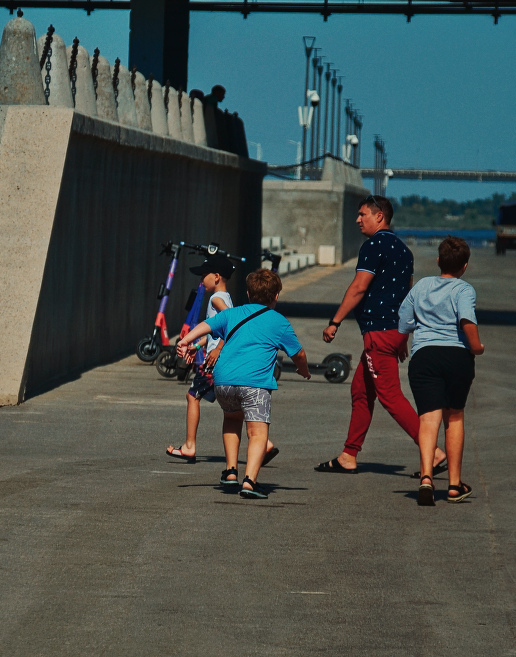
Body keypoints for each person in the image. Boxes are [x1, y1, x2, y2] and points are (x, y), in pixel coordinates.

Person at [316, 194, 446, 476]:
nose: (357, 219)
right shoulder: (404, 250)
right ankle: (349, 455)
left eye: (362, 214)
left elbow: (359, 287)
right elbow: (407, 295)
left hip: (379, 333)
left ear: (379, 216)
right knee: (361, 390)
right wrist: (404, 333)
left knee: (390, 396)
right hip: (393, 331)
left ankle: (433, 452)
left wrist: (335, 322)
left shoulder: (373, 245)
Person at [176, 269, 310, 500]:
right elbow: (298, 354)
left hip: (223, 382)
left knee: (232, 418)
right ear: (276, 296)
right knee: (257, 433)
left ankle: (230, 472)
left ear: (248, 293)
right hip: (254, 384)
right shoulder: (279, 321)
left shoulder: (233, 313)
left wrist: (185, 341)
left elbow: (207, 325)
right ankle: (249, 481)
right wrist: (303, 370)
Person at [165, 255, 278, 465]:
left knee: (193, 396)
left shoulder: (216, 299)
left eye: (203, 275)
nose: (201, 280)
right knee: (235, 406)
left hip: (215, 362)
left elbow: (232, 324)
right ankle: (265, 444)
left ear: (216, 277)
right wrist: (196, 346)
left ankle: (189, 446)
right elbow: (214, 330)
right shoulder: (226, 298)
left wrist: (217, 349)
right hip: (220, 359)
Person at [399, 236, 485, 506]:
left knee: (428, 419)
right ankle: (454, 485)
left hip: (424, 356)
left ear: (438, 261)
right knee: (454, 418)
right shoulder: (464, 290)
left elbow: (404, 321)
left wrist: (412, 332)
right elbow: (467, 319)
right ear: (465, 266)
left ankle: (426, 476)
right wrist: (477, 347)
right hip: (456, 357)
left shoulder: (422, 286)